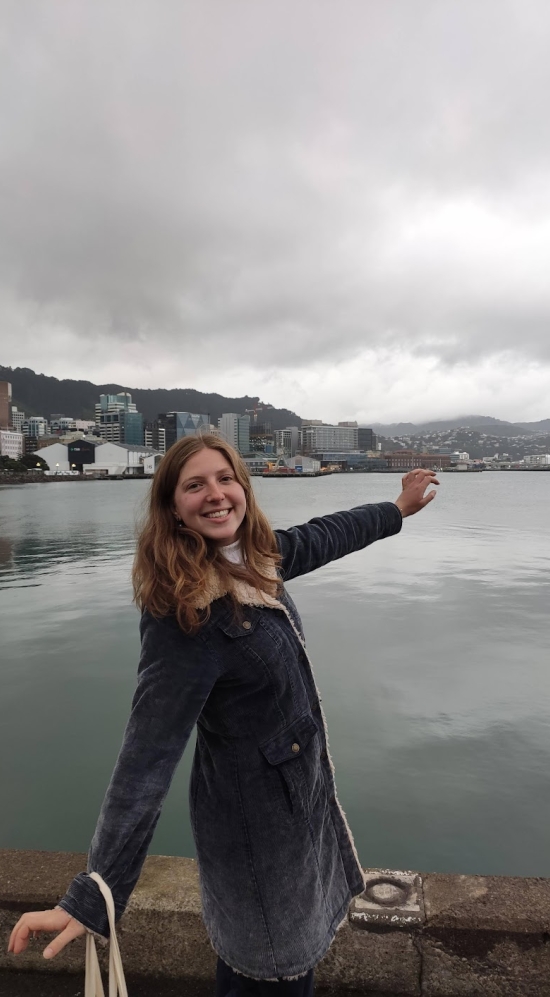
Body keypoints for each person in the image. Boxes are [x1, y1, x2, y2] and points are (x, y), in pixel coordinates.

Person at [8, 434, 438, 993]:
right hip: (254, 836)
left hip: (294, 813)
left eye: (225, 478)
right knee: (270, 969)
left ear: (243, 487)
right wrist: (95, 892)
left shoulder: (253, 559)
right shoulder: (186, 615)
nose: (215, 495)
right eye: (194, 485)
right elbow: (146, 761)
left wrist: (396, 509)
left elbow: (325, 535)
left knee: (274, 969)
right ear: (172, 508)